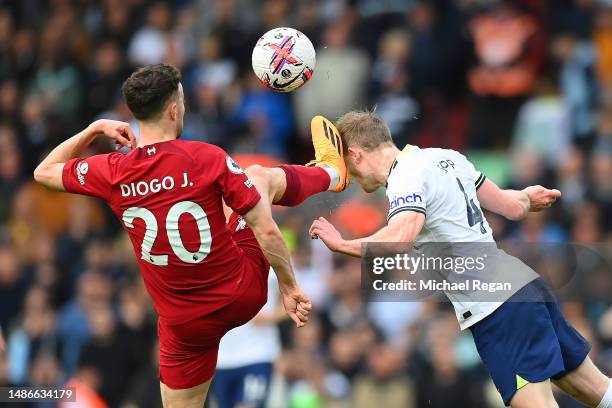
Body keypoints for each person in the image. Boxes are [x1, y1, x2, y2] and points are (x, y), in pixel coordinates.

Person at [33, 63, 349, 408]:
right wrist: (288, 288)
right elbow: (267, 230)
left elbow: (43, 171)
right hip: (240, 293)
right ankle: (331, 172)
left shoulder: (112, 170)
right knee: (258, 176)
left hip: (183, 324)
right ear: (173, 109)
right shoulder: (206, 157)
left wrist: (94, 129)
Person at [309, 110, 612, 408]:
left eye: (345, 164)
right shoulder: (446, 157)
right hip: (524, 287)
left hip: (498, 307)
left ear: (356, 154)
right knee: (595, 389)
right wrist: (526, 197)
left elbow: (400, 237)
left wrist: (342, 244)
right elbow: (513, 207)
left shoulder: (404, 177)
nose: (347, 177)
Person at [210, 271, 283, 408]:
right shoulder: (214, 259)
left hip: (257, 355)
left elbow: (296, 297)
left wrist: (270, 317)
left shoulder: (271, 261)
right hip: (221, 360)